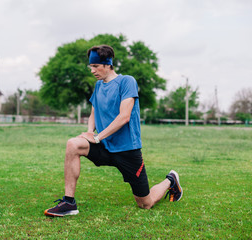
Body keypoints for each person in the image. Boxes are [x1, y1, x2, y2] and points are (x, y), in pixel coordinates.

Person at [44, 45, 182, 217]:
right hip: (104, 146)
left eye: (96, 66)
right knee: (73, 144)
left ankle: (170, 180)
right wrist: (89, 131)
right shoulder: (98, 85)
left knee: (145, 204)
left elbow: (124, 117)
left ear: (108, 64)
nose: (92, 70)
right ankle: (68, 202)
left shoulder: (127, 82)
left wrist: (97, 137)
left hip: (127, 150)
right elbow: (94, 111)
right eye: (91, 66)